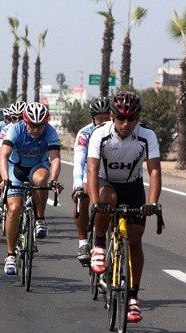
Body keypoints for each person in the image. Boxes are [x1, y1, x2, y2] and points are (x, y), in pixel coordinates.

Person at [87, 91, 161, 323]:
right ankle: (99, 244)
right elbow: (91, 170)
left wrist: (152, 203)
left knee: (136, 238)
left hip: (132, 185)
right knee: (107, 198)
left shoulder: (147, 135)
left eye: (131, 119)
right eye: (121, 118)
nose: (126, 124)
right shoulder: (100, 134)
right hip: (105, 182)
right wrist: (93, 201)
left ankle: (132, 299)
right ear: (112, 116)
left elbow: (155, 171)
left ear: (138, 118)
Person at [0, 101, 61, 275]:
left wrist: (54, 179)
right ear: (25, 122)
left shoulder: (50, 131)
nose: (36, 129)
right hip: (16, 168)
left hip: (37, 167)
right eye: (32, 126)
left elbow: (55, 159)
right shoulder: (15, 129)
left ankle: (40, 218)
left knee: (41, 180)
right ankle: (10, 255)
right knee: (14, 208)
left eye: (40, 126)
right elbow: (3, 156)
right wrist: (5, 179)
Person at [72, 97, 111, 266]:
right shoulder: (85, 133)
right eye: (98, 119)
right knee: (81, 199)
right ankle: (83, 243)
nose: (102, 122)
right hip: (89, 173)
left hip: (110, 176)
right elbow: (79, 162)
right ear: (92, 119)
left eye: (106, 118)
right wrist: (78, 186)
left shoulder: (116, 132)